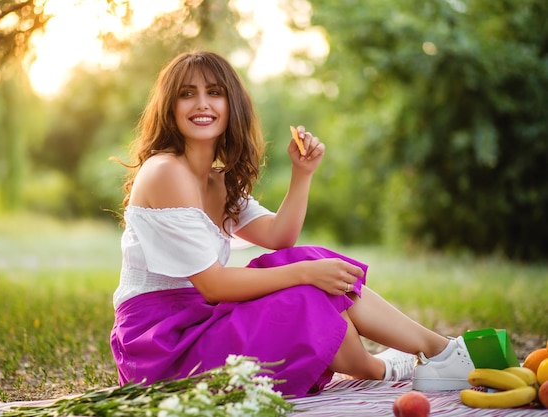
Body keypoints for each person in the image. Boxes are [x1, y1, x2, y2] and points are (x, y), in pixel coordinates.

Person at [109, 50, 474, 398]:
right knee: (306, 276)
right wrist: (307, 273)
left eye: (214, 93)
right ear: (170, 107)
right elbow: (214, 285)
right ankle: (426, 357)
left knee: (306, 267)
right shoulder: (166, 171)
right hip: (162, 346)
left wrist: (303, 174)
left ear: (230, 105)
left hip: (201, 321)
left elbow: (280, 237)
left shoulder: (216, 181)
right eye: (187, 94)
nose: (202, 103)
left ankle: (427, 356)